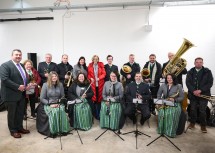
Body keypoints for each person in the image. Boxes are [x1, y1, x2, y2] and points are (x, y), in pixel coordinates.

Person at [0, 49, 30, 138]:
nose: (18, 56)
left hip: (21, 94)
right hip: (10, 95)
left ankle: (19, 127)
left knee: (20, 112)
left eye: (20, 55)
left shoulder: (21, 65)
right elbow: (5, 79)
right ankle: (13, 130)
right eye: (16, 54)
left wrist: (26, 85)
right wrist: (18, 86)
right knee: (12, 114)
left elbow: (24, 77)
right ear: (12, 56)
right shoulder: (5, 65)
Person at [36, 71, 70, 137]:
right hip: (48, 103)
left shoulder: (60, 84)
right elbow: (42, 98)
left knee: (61, 110)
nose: (54, 77)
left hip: (58, 103)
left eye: (55, 76)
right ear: (50, 78)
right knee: (53, 112)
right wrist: (50, 104)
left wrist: (60, 103)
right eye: (52, 76)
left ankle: (62, 129)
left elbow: (62, 96)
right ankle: (53, 130)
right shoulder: (45, 85)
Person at [186, 57, 213, 133]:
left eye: (200, 62)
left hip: (204, 94)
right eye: (197, 62)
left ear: (202, 63)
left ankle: (203, 126)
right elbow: (188, 83)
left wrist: (200, 90)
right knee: (192, 110)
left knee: (202, 111)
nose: (199, 63)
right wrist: (194, 91)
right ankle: (192, 123)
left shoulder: (208, 71)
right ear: (194, 63)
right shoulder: (190, 71)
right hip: (193, 94)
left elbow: (210, 83)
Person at [157, 74, 184, 138]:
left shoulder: (179, 86)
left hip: (175, 104)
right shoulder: (163, 85)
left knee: (171, 113)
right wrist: (159, 101)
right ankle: (162, 131)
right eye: (168, 78)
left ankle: (170, 132)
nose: (169, 79)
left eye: (171, 78)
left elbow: (182, 97)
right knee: (161, 112)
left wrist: (174, 99)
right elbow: (158, 94)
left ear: (174, 79)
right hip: (165, 102)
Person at [88, 55, 106, 119]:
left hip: (100, 84)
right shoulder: (90, 65)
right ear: (92, 59)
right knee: (94, 100)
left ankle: (100, 114)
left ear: (98, 59)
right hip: (93, 85)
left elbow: (104, 74)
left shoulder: (101, 65)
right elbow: (88, 74)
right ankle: (96, 114)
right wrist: (91, 78)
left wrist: (99, 78)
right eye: (94, 59)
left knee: (100, 100)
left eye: (97, 59)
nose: (95, 60)